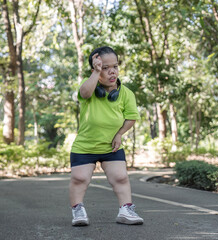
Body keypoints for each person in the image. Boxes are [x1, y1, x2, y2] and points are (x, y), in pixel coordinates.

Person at [69, 46, 144, 226]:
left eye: (115, 66)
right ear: (95, 69)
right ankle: (78, 211)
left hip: (112, 146)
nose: (112, 71)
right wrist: (95, 72)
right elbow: (84, 93)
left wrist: (119, 134)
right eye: (104, 68)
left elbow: (131, 117)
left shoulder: (126, 94)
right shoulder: (89, 89)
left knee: (120, 177)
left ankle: (126, 210)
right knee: (80, 179)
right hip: (85, 146)